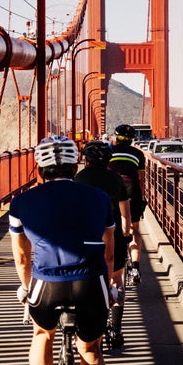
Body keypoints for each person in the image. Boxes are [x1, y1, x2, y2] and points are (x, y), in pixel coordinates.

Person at [10, 135, 115, 365]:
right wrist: (109, 287)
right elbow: (107, 254)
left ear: (39, 167)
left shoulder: (21, 202)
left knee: (42, 334)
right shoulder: (99, 198)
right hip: (89, 284)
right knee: (92, 347)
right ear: (75, 165)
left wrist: (27, 288)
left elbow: (21, 256)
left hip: (47, 285)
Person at [75, 141, 132, 349]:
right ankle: (116, 328)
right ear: (109, 160)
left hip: (86, 236)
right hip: (113, 234)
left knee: (85, 277)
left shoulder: (79, 178)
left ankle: (86, 325)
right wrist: (126, 233)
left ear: (86, 160)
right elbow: (125, 213)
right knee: (116, 279)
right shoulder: (116, 179)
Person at [107, 124, 146, 285]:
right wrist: (141, 198)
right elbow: (141, 179)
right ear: (131, 140)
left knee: (110, 228)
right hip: (133, 191)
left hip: (113, 191)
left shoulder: (109, 152)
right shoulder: (138, 154)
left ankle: (112, 264)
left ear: (116, 138)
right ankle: (135, 267)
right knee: (134, 229)